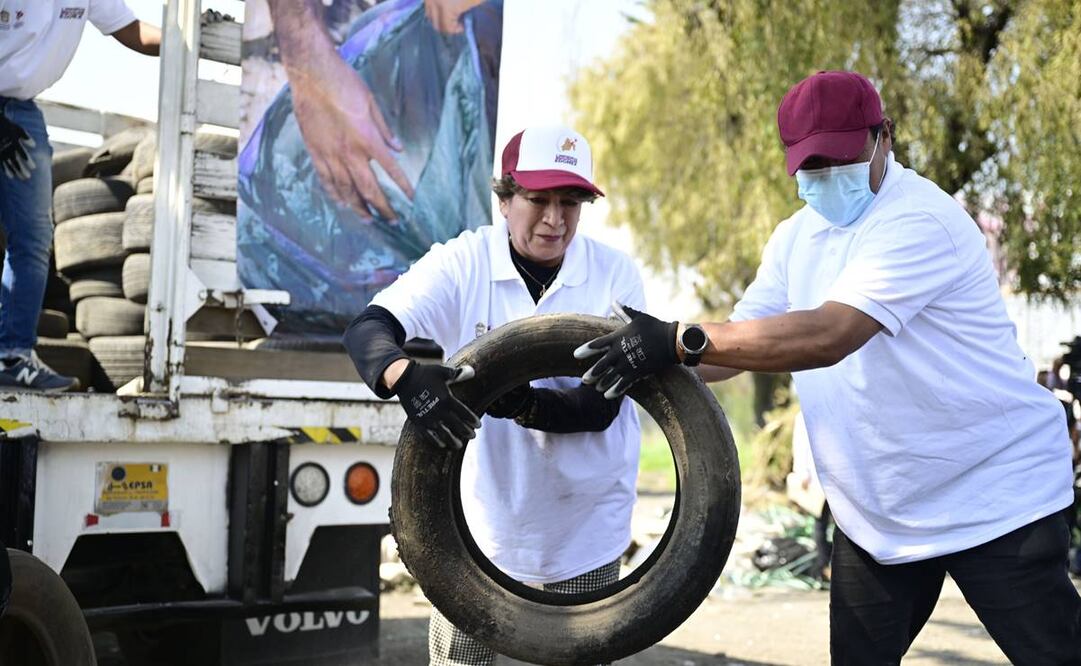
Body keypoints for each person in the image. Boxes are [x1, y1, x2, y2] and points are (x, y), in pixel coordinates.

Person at [575, 70, 1081, 664]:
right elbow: (732, 350)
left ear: (884, 137)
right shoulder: (794, 239)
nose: (825, 179)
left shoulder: (920, 220)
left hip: (995, 498)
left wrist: (677, 340)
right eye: (809, 167)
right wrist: (636, 367)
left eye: (840, 159)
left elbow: (830, 335)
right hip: (879, 520)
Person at [343, 125, 645, 665]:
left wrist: (520, 402)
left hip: (585, 527)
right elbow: (368, 330)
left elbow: (600, 407)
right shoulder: (465, 261)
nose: (555, 219)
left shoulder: (613, 274)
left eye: (570, 201)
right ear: (504, 200)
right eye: (538, 199)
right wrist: (406, 379)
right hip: (481, 529)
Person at [0, 0, 160, 391]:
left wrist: (188, 40)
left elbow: (132, 31)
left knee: (34, 236)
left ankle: (12, 356)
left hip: (21, 112)